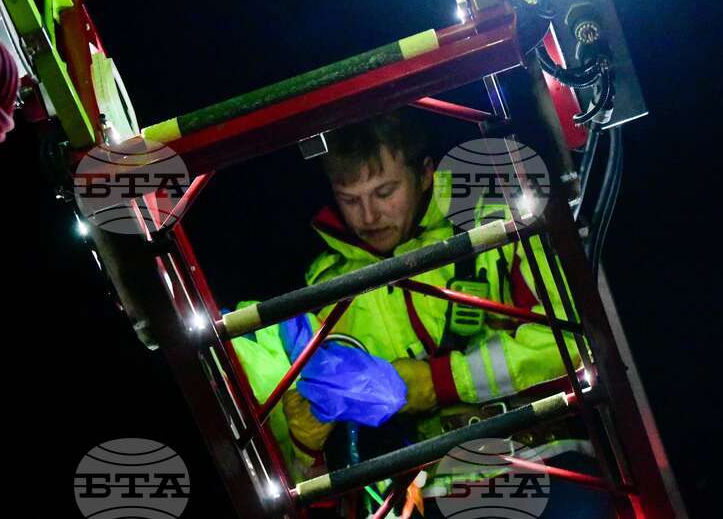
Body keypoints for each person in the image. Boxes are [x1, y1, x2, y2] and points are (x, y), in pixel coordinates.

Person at [231, 110, 608, 515]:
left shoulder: (495, 229)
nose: (369, 216)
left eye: (384, 191)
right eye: (350, 199)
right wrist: (307, 445)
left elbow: (574, 343)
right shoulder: (323, 292)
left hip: (547, 464)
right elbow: (305, 473)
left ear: (425, 174)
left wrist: (439, 380)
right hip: (428, 497)